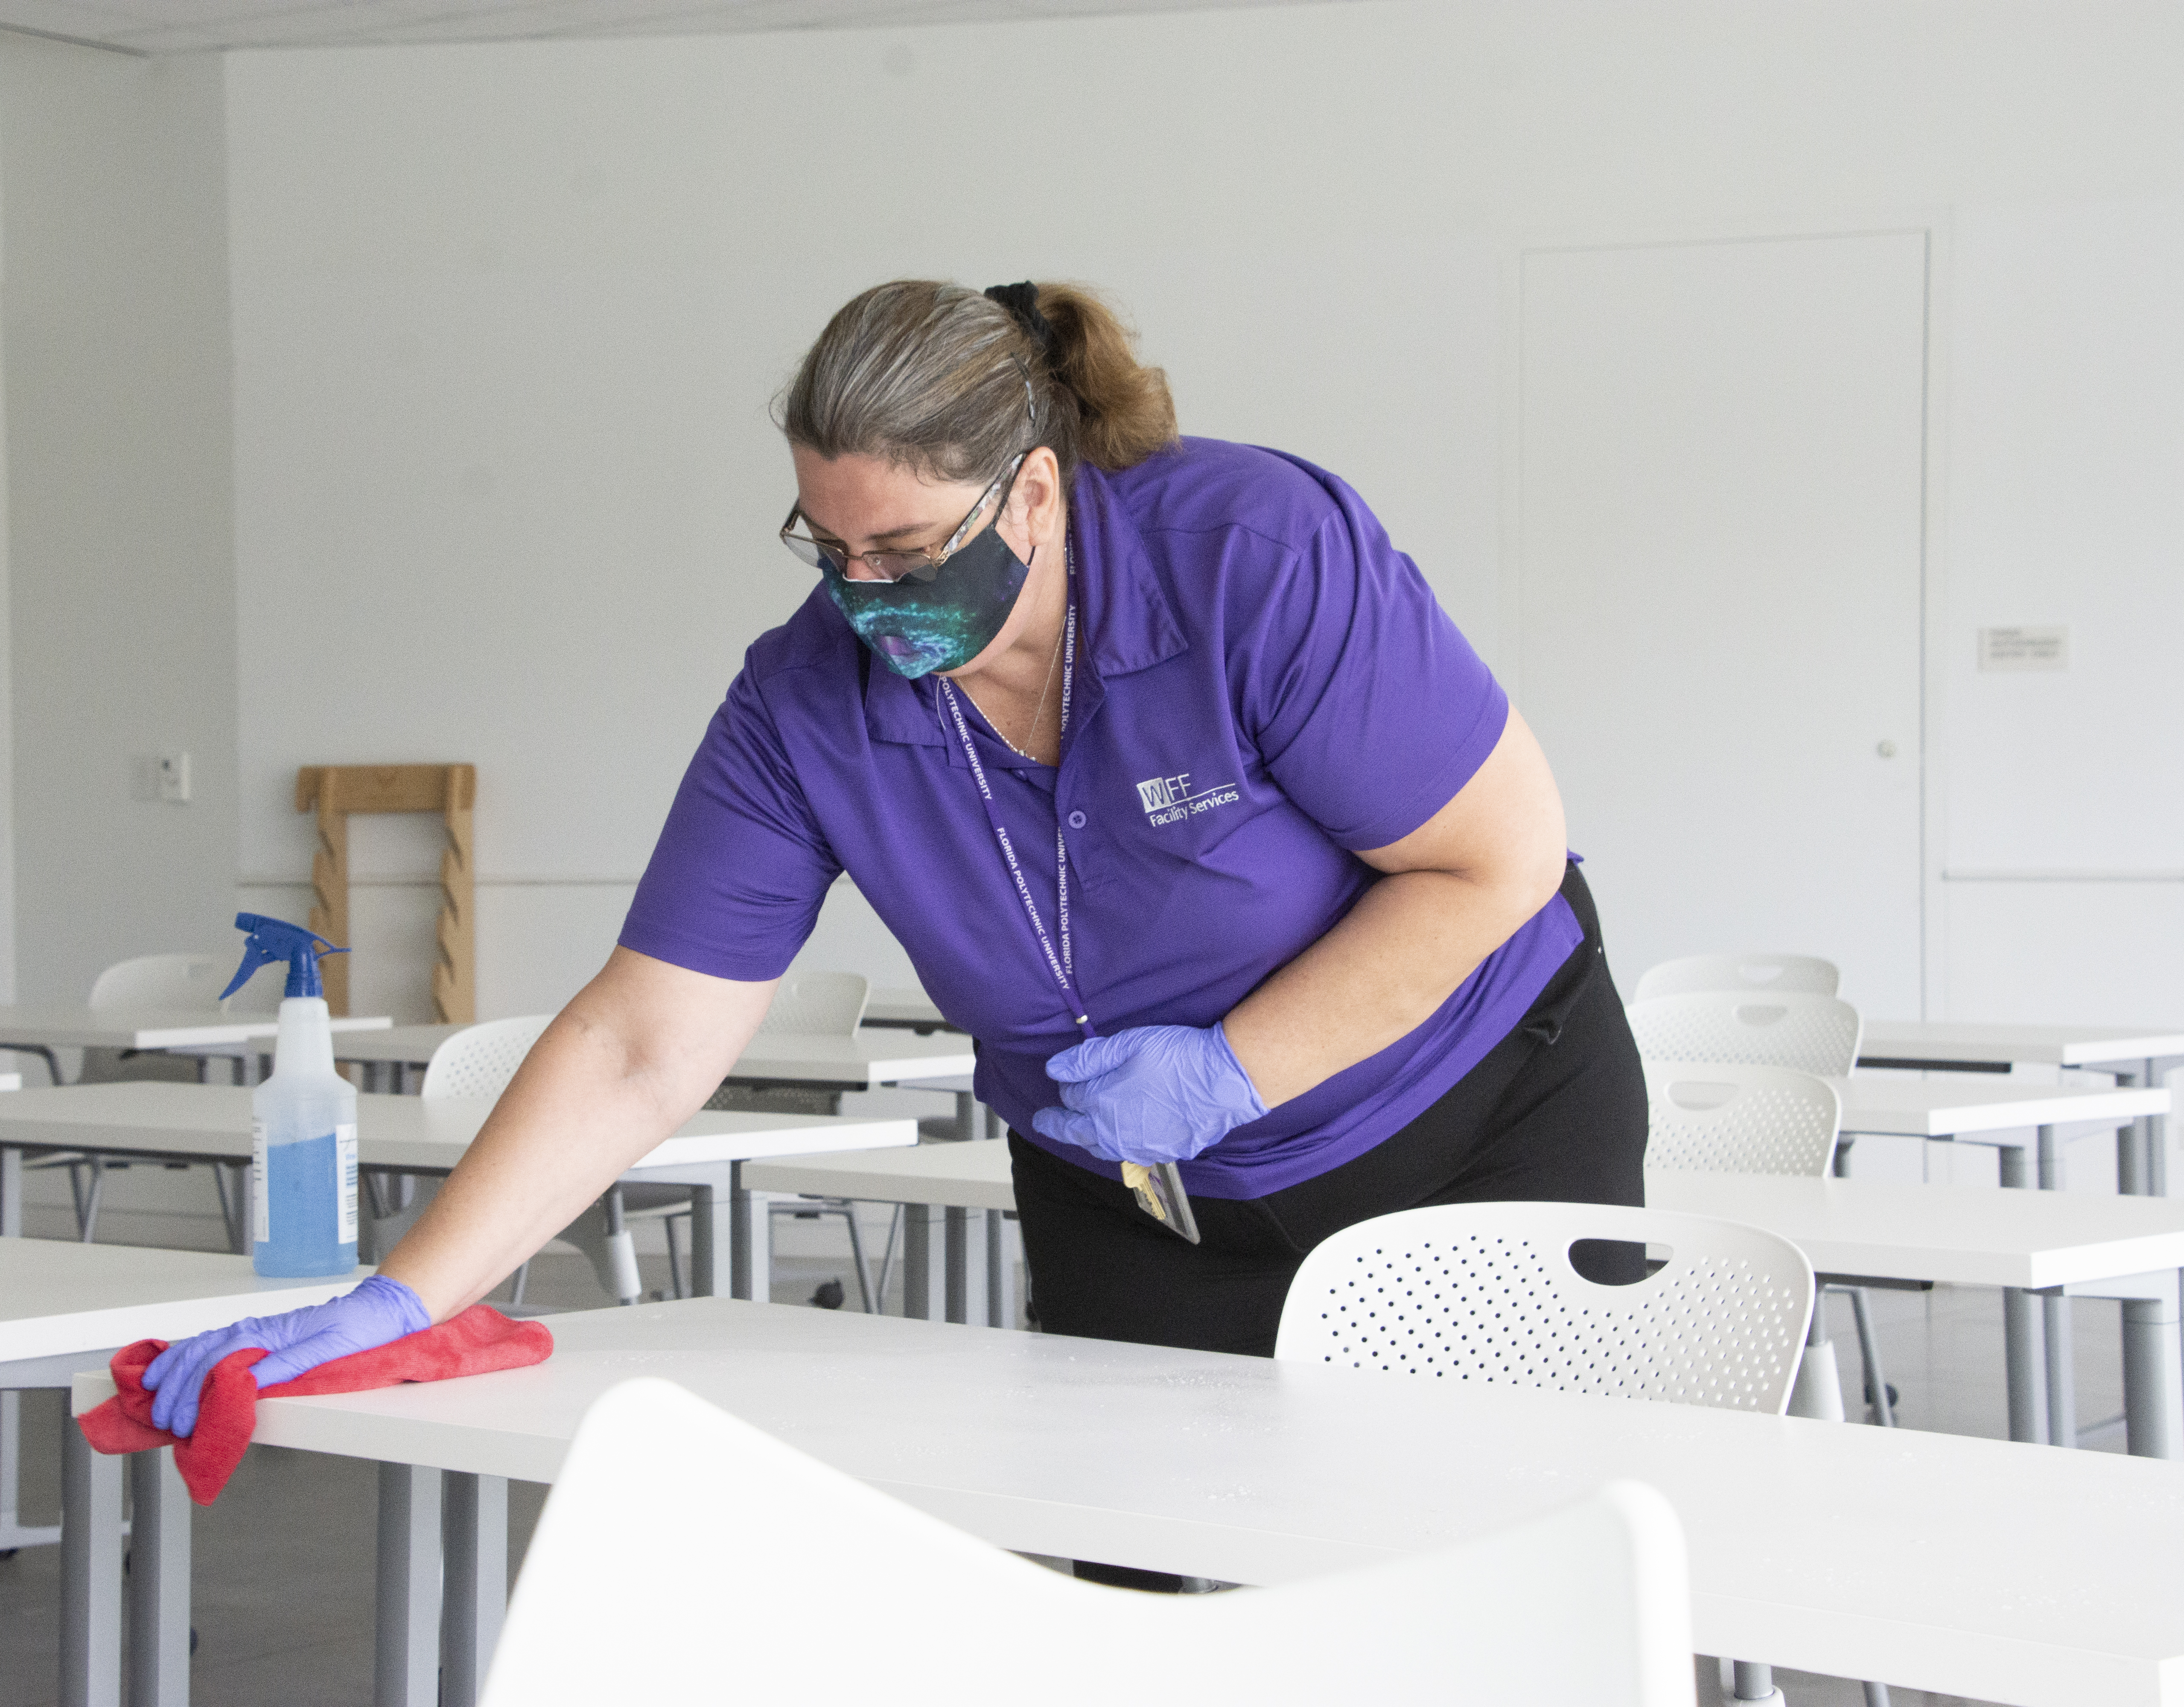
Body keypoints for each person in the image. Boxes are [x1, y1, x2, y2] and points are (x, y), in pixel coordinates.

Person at [147, 279, 1647, 1479]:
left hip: (1469, 1126)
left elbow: (1495, 860)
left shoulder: (1249, 556)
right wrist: (416, 1290)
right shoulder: (801, 702)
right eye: (831, 548)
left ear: (1038, 493)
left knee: (1485, 1562)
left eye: (914, 548)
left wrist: (1230, 1072)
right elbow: (641, 1040)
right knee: (1145, 1598)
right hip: (1141, 1196)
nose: (869, 598)